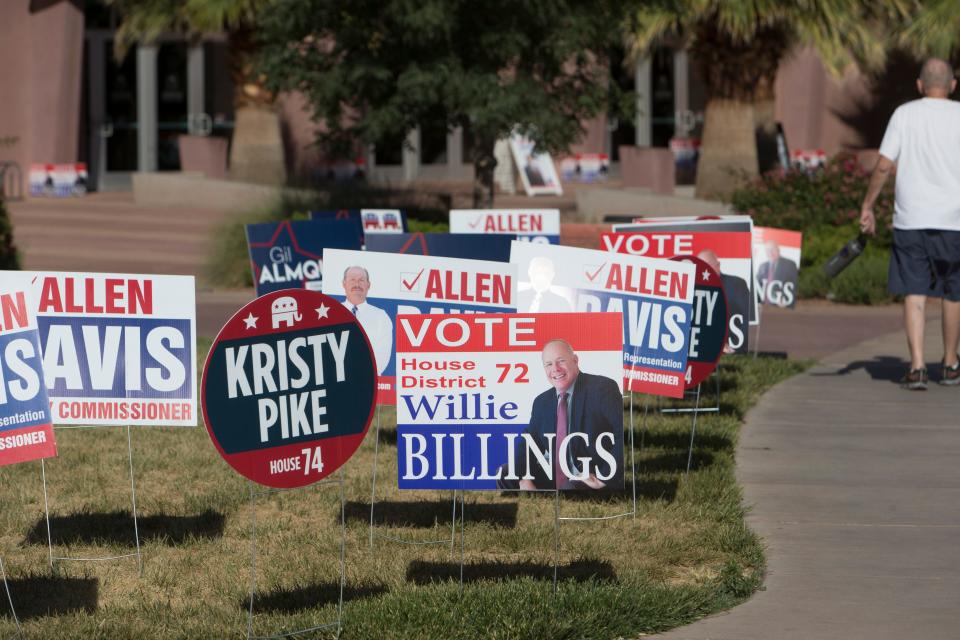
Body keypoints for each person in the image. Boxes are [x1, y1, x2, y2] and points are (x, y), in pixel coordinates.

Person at [860, 58, 960, 390]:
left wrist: (868, 205)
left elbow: (885, 165)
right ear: (953, 85)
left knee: (914, 291)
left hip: (911, 219)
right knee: (953, 292)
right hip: (954, 220)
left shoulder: (905, 114)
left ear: (920, 85)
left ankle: (917, 367)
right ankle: (949, 363)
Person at [498, 339, 623, 491]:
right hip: (556, 476)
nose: (555, 369)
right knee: (506, 474)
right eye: (549, 364)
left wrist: (604, 478)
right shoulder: (541, 402)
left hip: (590, 476)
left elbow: (622, 432)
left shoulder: (601, 388)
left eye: (561, 361)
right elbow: (529, 443)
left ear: (575, 360)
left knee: (568, 488)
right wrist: (524, 477)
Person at [342, 266, 392, 375]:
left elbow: (382, 355)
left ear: (368, 285)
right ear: (344, 284)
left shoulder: (381, 316)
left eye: (361, 280)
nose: (357, 284)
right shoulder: (333, 313)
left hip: (367, 382)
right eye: (352, 280)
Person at [698, 249, 749, 354]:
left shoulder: (737, 284)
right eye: (700, 266)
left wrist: (734, 345)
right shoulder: (693, 289)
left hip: (733, 350)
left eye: (707, 265)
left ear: (718, 265)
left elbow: (746, 318)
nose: (704, 270)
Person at [756, 240, 798, 307]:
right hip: (762, 304)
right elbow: (757, 286)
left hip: (780, 306)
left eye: (773, 249)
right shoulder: (762, 266)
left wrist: (786, 300)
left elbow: (793, 285)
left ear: (778, 250)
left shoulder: (790, 264)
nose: (770, 252)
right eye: (768, 250)